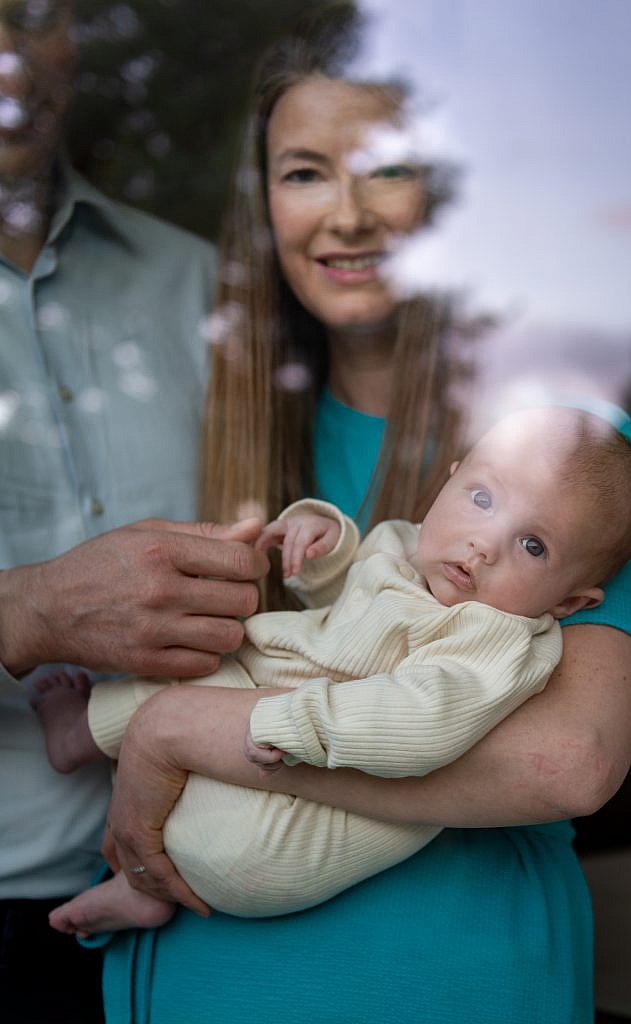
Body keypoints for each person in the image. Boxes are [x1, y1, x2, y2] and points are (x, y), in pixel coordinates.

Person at [93, 12, 631, 1023]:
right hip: (205, 974)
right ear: (265, 203)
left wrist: (180, 733)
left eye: (389, 170)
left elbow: (567, 763)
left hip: (454, 980)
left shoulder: (567, 449)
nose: (347, 215)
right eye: (306, 173)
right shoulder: (205, 425)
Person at [35, 404, 631, 930]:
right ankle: (140, 887)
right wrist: (325, 544)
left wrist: (282, 723)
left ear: (570, 603)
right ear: (449, 481)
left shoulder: (498, 640)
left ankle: (83, 733)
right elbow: (350, 600)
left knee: (205, 674)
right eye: (483, 499)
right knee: (203, 662)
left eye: (533, 545)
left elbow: (420, 725)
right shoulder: (410, 547)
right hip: (239, 806)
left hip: (279, 842)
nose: (484, 543)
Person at [0, 3, 267, 1022]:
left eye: (34, 14)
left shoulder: (202, 285)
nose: (9, 54)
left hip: (209, 883)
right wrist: (26, 608)